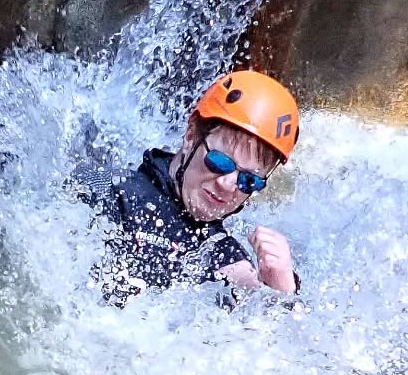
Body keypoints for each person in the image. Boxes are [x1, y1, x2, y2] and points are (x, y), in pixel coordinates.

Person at [79, 70, 300, 306]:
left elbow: (279, 336)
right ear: (191, 136)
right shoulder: (110, 192)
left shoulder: (226, 258)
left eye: (249, 180)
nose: (227, 184)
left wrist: (283, 289)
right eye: (219, 162)